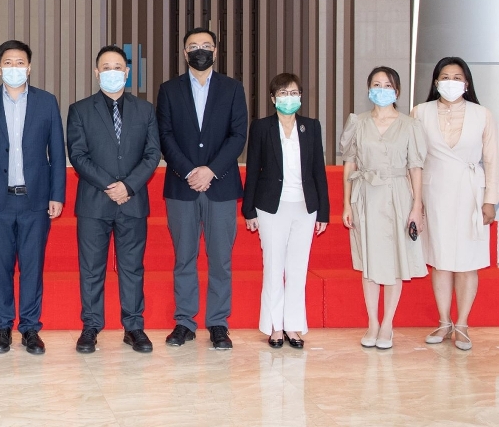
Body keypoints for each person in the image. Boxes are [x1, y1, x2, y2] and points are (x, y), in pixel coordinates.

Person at [0, 40, 66, 355]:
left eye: (20, 62)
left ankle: (30, 327)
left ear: (30, 67)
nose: (15, 68)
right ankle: (2, 326)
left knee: (32, 267)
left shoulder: (46, 102)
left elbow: (57, 151)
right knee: (0, 267)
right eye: (8, 63)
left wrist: (57, 194)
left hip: (35, 200)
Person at [155, 27, 247, 350]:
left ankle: (218, 323)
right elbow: (164, 136)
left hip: (221, 185)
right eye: (193, 46)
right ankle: (184, 322)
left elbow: (238, 135)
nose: (200, 51)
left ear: (216, 51)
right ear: (184, 53)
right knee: (184, 258)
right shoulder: (169, 90)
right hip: (182, 186)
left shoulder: (233, 89)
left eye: (206, 45)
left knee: (220, 259)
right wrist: (189, 171)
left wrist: (211, 170)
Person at [66, 45, 161, 354]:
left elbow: (152, 154)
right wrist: (110, 185)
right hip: (94, 202)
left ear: (127, 72)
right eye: (106, 68)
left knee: (132, 267)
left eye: (117, 67)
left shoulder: (145, 110)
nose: (112, 72)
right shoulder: (80, 110)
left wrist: (128, 186)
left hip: (132, 201)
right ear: (97, 73)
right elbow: (78, 154)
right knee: (92, 268)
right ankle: (91, 326)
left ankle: (133, 327)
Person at [413, 56, 499, 351]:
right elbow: (414, 159)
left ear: (466, 83)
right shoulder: (420, 112)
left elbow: (492, 159)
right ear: (436, 81)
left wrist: (490, 200)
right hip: (434, 193)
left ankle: (462, 324)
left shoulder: (482, 114)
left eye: (457, 77)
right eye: (445, 77)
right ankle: (443, 321)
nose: (451, 82)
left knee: (467, 262)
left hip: (469, 193)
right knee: (440, 261)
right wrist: (415, 202)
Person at [340, 65, 427, 349]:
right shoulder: (358, 122)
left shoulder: (410, 125)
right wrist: (346, 203)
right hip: (365, 195)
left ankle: (388, 323)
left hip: (398, 195)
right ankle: (372, 323)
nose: (382, 90)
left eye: (387, 85)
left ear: (397, 91)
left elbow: (415, 167)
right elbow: (350, 163)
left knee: (394, 260)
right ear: (368, 89)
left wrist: (417, 206)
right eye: (376, 84)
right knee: (369, 261)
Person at [243, 73, 329, 349]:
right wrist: (248, 210)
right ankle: (274, 327)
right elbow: (252, 169)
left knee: (297, 269)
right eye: (282, 93)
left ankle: (293, 326)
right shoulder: (261, 127)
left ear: (300, 96)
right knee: (273, 267)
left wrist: (323, 212)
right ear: (273, 98)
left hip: (305, 207)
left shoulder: (311, 127)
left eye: (293, 93)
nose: (288, 98)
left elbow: (318, 171)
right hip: (271, 207)